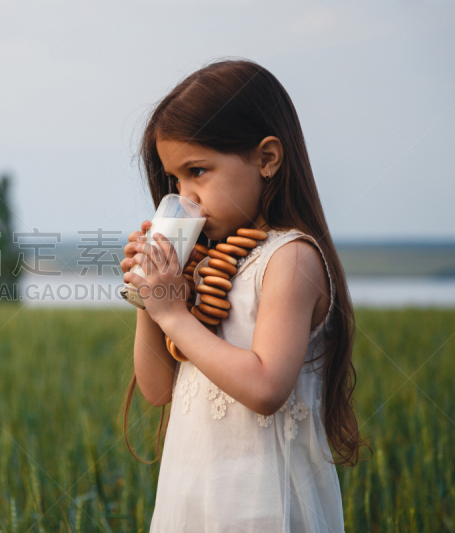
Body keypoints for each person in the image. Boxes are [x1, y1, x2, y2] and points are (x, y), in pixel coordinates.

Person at [119, 58, 371, 532]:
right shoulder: (210, 263)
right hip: (191, 504)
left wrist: (174, 315)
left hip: (264, 505)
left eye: (198, 171)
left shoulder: (290, 259)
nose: (185, 197)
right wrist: (149, 295)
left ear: (267, 158)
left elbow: (265, 387)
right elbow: (156, 390)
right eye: (175, 181)